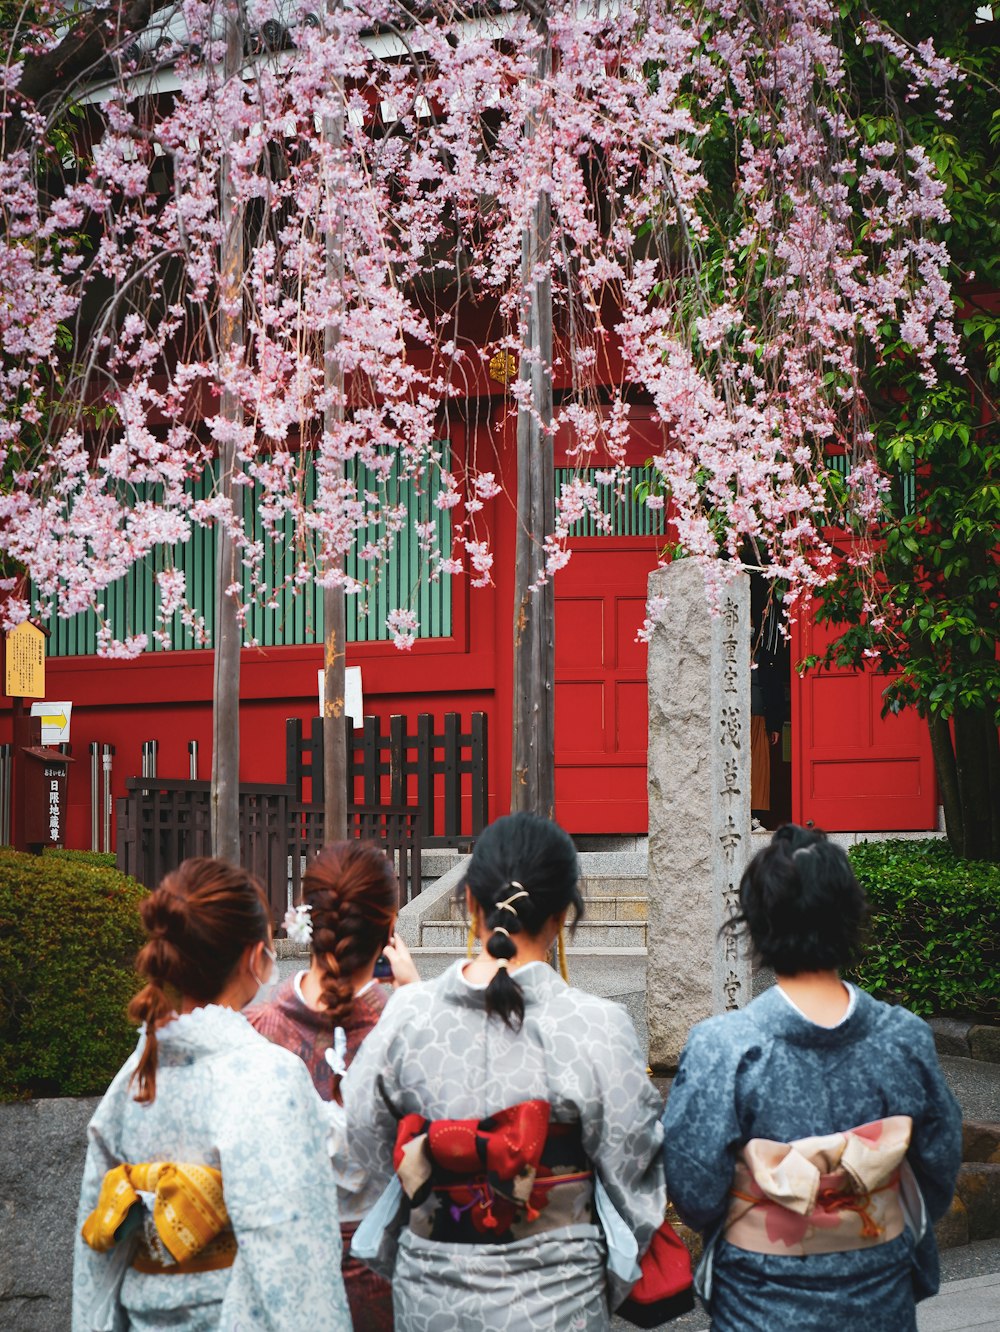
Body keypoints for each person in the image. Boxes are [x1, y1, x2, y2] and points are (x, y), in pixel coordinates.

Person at [339, 811, 667, 1332]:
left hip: (431, 1294)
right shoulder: (599, 1026)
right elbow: (635, 1171)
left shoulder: (408, 1014)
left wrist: (424, 1205)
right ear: (564, 914)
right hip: (560, 1299)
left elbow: (359, 1146)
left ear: (470, 903)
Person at [662, 824, 962, 1332]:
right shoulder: (902, 1039)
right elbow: (937, 1167)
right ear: (850, 917)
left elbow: (694, 1190)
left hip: (758, 1299)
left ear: (755, 924)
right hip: (878, 1294)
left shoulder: (725, 1045)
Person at [72, 858, 349, 1332]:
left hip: (141, 1315)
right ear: (251, 956)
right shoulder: (268, 1076)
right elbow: (293, 1253)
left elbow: (95, 1245)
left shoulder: (136, 1076)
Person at [247, 841, 420, 1332]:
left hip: (285, 1269)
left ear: (308, 922)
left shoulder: (257, 1027)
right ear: (389, 930)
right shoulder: (410, 1026)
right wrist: (414, 996)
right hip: (386, 1269)